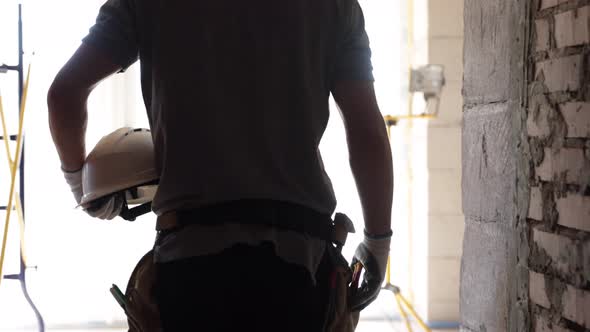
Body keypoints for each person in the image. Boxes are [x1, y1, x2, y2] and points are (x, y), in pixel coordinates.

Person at [47, 0, 393, 331]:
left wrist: (84, 188)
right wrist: (377, 245)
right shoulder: (335, 6)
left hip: (190, 268)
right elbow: (367, 132)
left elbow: (64, 95)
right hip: (299, 266)